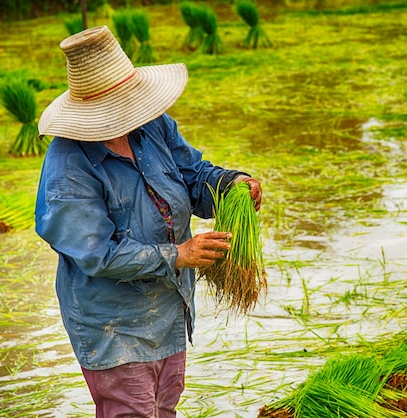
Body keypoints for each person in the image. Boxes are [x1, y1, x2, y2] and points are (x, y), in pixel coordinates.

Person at [34, 25, 262, 418]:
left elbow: (192, 174)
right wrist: (178, 254)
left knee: (164, 408)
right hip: (114, 325)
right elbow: (96, 255)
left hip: (168, 309)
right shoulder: (68, 166)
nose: (128, 112)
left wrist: (230, 183)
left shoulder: (152, 126)